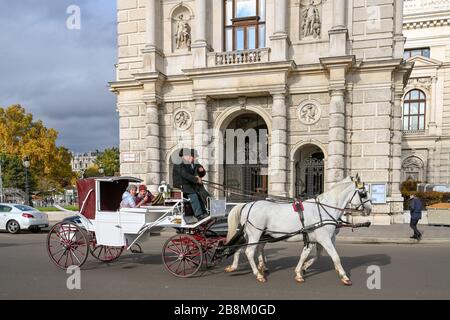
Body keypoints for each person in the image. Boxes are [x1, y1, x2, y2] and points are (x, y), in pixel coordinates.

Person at [173, 148, 208, 223]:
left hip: (188, 185)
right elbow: (184, 174)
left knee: (198, 194)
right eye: (189, 155)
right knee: (193, 194)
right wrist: (196, 179)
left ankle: (204, 212)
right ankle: (198, 215)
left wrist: (198, 177)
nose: (190, 157)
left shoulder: (188, 164)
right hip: (181, 185)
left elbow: (192, 174)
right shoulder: (178, 162)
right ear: (184, 156)